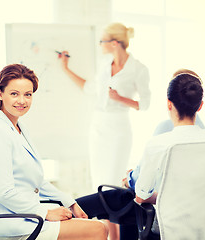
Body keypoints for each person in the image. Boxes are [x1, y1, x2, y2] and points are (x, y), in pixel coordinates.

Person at [76, 70, 205, 239]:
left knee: (122, 201)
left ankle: (65, 211)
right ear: (199, 105)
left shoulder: (160, 140)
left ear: (169, 103)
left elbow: (141, 195)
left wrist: (132, 179)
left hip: (167, 223)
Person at [0, 63, 108, 240]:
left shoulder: (18, 127)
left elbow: (37, 181)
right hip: (13, 222)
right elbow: (4, 193)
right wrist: (46, 212)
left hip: (28, 217)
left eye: (27, 95)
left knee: (93, 226)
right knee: (99, 229)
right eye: (14, 94)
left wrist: (70, 202)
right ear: (0, 94)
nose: (22, 101)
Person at [59, 22, 151, 239]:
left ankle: (117, 236)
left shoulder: (138, 69)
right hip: (99, 126)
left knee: (113, 183)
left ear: (115, 43)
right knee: (98, 181)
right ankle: (107, 235)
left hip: (119, 127)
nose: (100, 45)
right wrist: (65, 68)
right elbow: (89, 88)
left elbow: (145, 103)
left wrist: (121, 98)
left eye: (102, 41)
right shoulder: (104, 64)